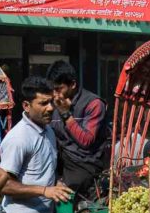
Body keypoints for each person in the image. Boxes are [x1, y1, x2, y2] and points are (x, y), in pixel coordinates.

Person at [0, 76, 72, 213]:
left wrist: (56, 184)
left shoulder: (48, 131)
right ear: (26, 106)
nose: (50, 108)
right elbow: (3, 185)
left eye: (51, 102)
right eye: (43, 103)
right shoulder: (18, 138)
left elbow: (40, 174)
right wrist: (45, 191)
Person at [46, 60, 110, 200]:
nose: (55, 94)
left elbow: (86, 141)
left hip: (85, 166)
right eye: (53, 90)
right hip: (60, 164)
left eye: (59, 89)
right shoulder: (53, 104)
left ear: (73, 84)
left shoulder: (93, 104)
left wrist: (66, 114)